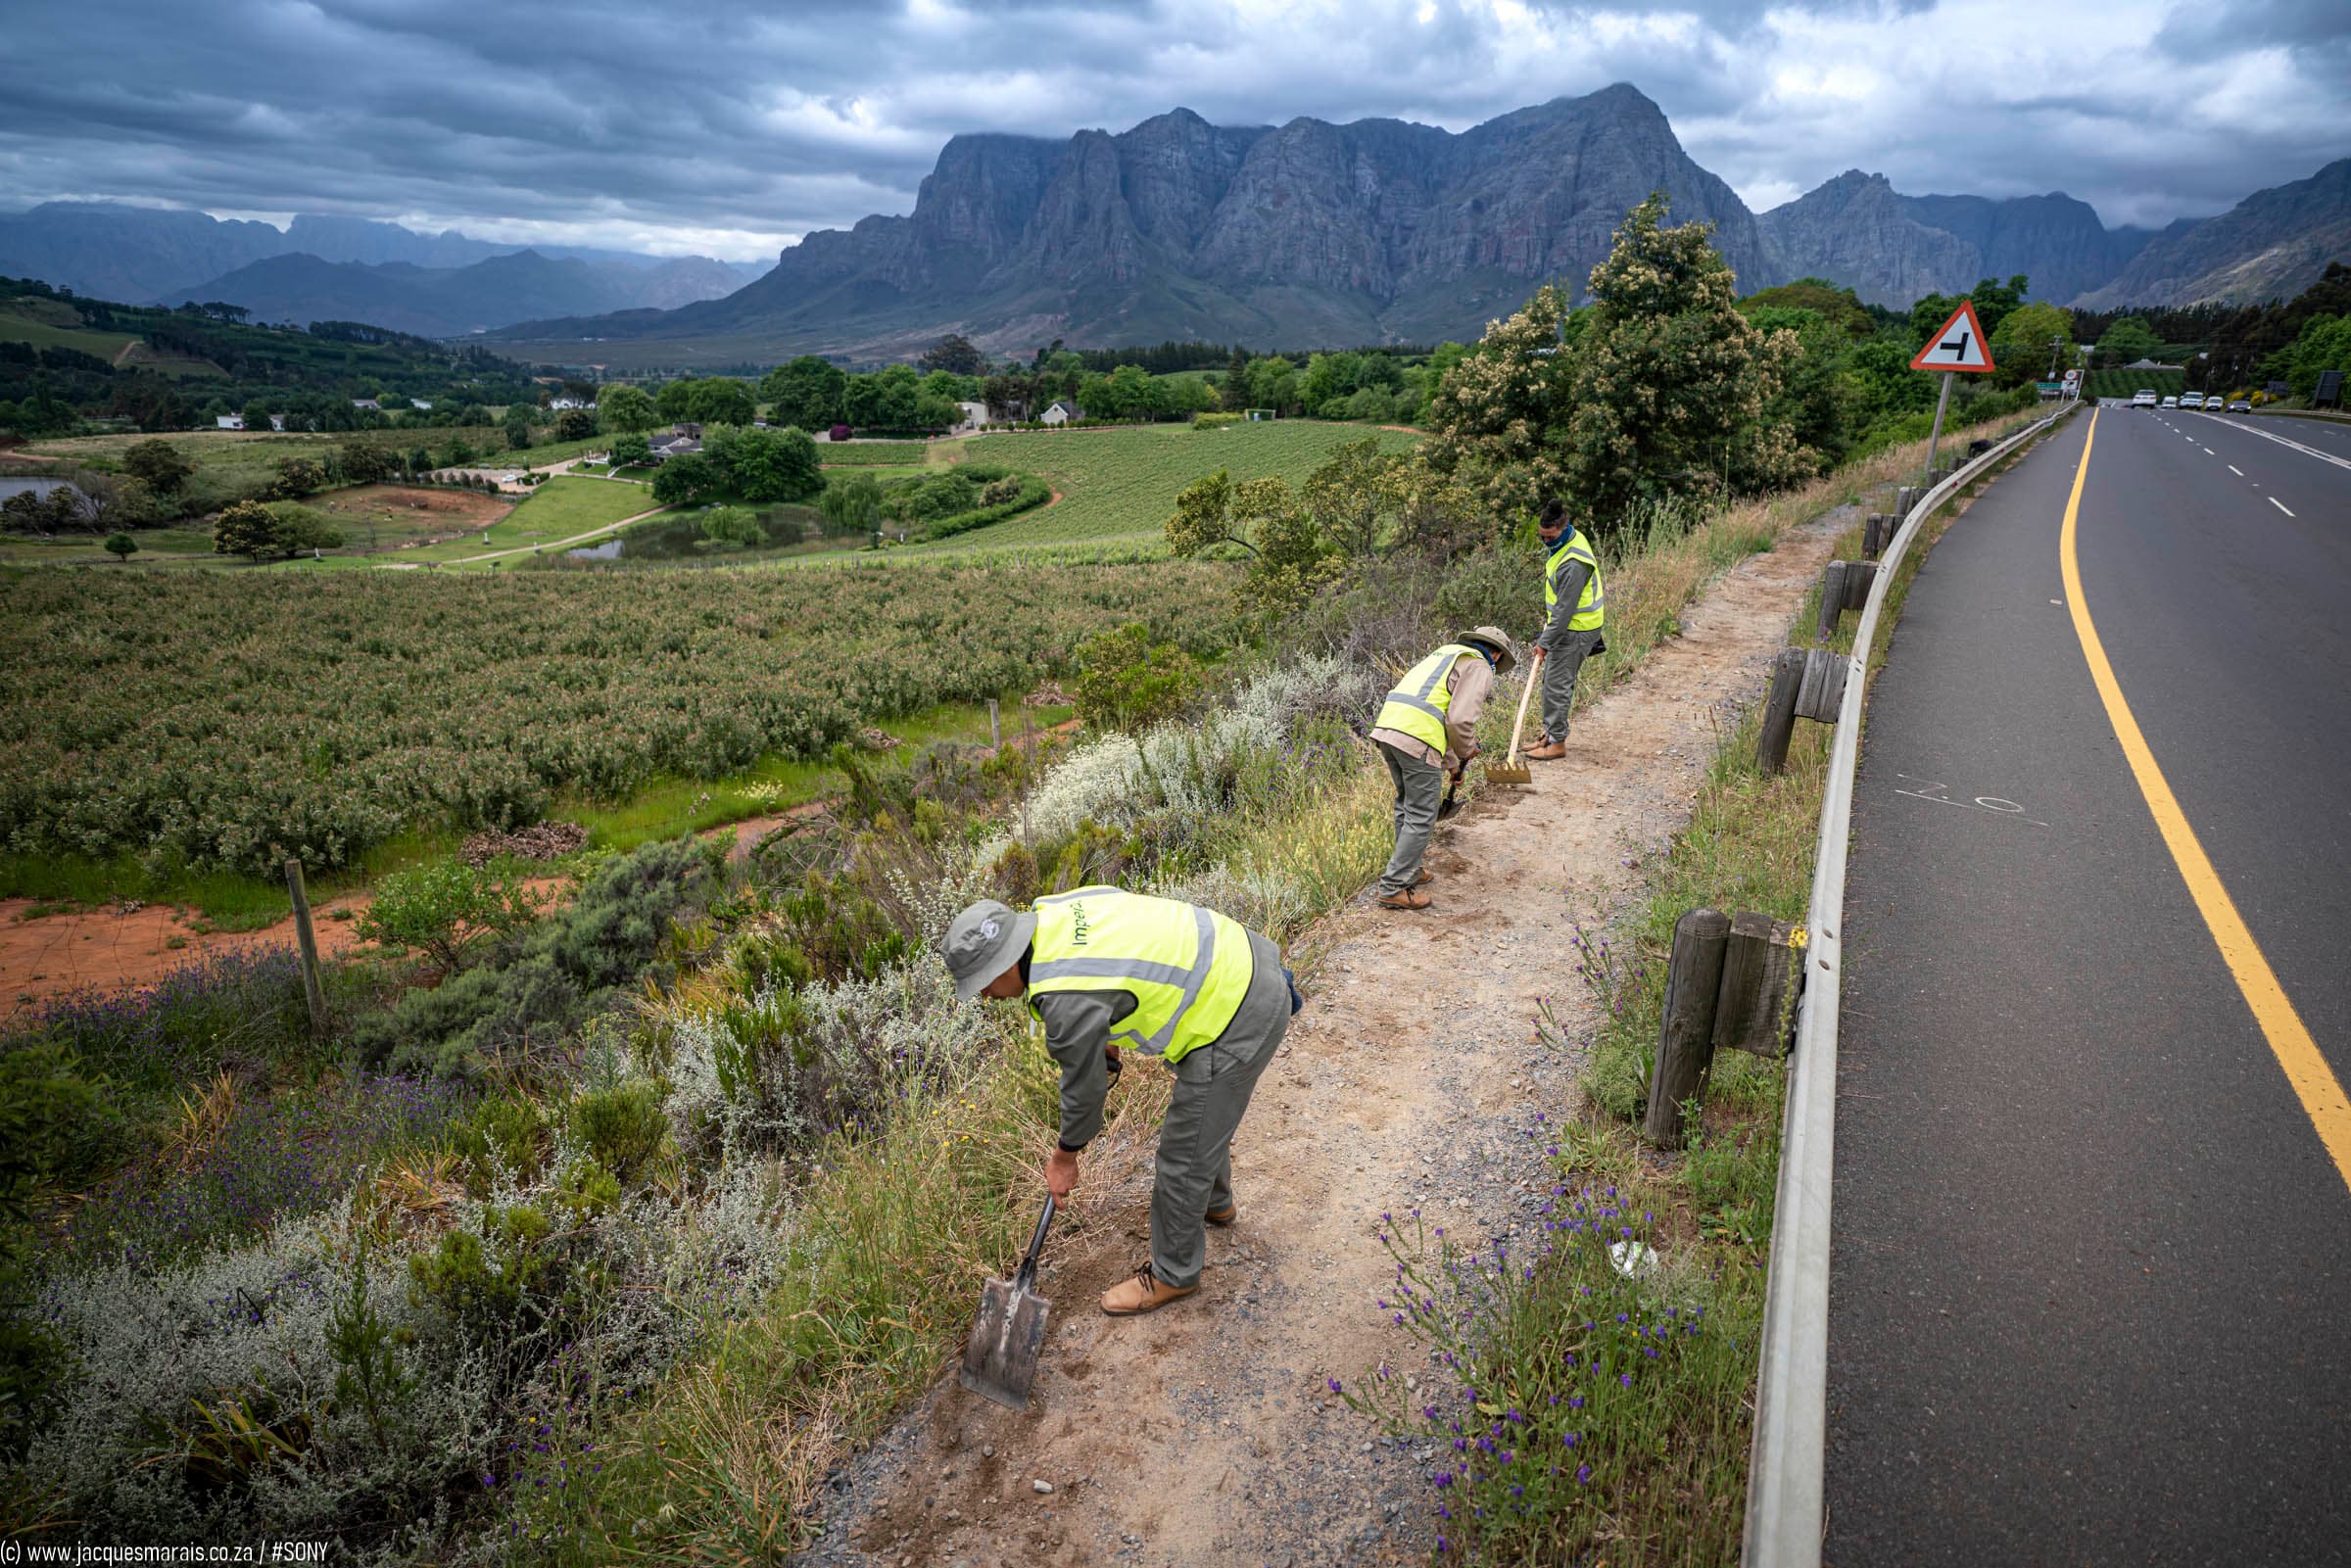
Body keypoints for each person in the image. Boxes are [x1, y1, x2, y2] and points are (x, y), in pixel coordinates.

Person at [942, 887, 1297, 1316]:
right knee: (1204, 1116)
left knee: (1181, 1156)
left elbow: (1085, 1092)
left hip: (1238, 1011)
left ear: (1003, 963)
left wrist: (1065, 1157)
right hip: (1243, 957)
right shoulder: (1051, 911)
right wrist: (1104, 1028)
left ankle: (1174, 1274)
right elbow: (1117, 945)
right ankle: (1213, 1204)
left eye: (983, 984)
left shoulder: (1063, 1000)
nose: (985, 997)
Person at [1366, 626, 1518, 912]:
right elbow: (1459, 721)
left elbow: (1438, 710)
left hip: (1390, 728)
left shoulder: (1446, 654)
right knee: (1422, 814)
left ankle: (1409, 869)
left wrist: (1451, 765)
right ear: (1496, 654)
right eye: (1498, 663)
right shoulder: (1480, 665)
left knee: (1407, 805)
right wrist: (1467, 749)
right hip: (1417, 737)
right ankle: (1393, 886)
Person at [1523, 499, 1606, 762]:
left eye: (1550, 537)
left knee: (1557, 686)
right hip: (1568, 627)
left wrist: (1544, 642)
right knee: (1551, 682)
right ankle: (1550, 733)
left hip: (1576, 629)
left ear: (1564, 527)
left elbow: (1565, 610)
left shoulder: (1573, 563)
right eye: (1542, 537)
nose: (1546, 542)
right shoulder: (1568, 541)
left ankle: (1557, 742)